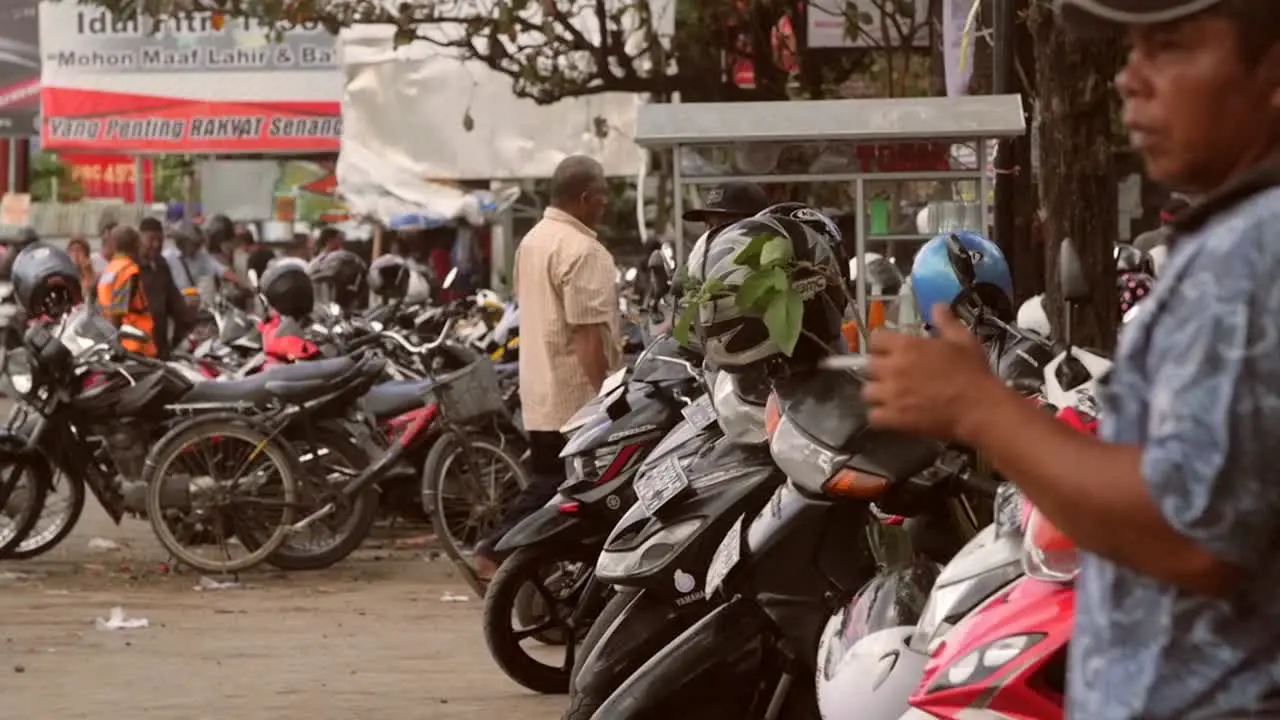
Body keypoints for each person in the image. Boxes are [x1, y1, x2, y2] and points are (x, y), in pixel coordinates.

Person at [862, 1, 1280, 717]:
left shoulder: (1250, 254)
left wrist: (980, 409)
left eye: (1171, 48)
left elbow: (1184, 535)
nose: (1130, 78)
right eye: (1133, 48)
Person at [473, 155, 621, 580]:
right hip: (577, 398)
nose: (606, 205)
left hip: (540, 390)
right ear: (586, 198)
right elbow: (586, 334)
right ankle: (497, 550)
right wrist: (609, 399)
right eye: (603, 196)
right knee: (563, 488)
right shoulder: (583, 250)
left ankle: (532, 572)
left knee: (552, 482)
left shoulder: (534, 241)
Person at [96, 225, 157, 357]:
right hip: (132, 344)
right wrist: (115, 341)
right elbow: (117, 310)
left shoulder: (110, 269)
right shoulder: (128, 271)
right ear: (135, 245)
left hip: (109, 337)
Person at [138, 217, 194, 359]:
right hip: (136, 346)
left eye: (160, 241)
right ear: (139, 239)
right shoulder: (130, 267)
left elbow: (174, 300)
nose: (156, 245)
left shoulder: (161, 265)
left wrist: (188, 324)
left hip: (160, 344)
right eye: (151, 240)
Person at [164, 221, 238, 304]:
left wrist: (239, 281)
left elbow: (220, 270)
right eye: (194, 244)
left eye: (198, 244)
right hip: (174, 303)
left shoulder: (200, 257)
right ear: (183, 242)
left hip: (192, 303)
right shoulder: (168, 258)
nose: (197, 248)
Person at [682, 181, 770, 231]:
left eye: (722, 225)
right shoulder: (705, 261)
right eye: (710, 225)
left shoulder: (772, 261)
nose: (712, 232)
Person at [65, 236, 97, 301]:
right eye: (72, 251)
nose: (75, 254)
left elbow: (87, 293)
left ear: (86, 255)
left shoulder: (91, 275)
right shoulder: (65, 275)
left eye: (79, 250)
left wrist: (87, 272)